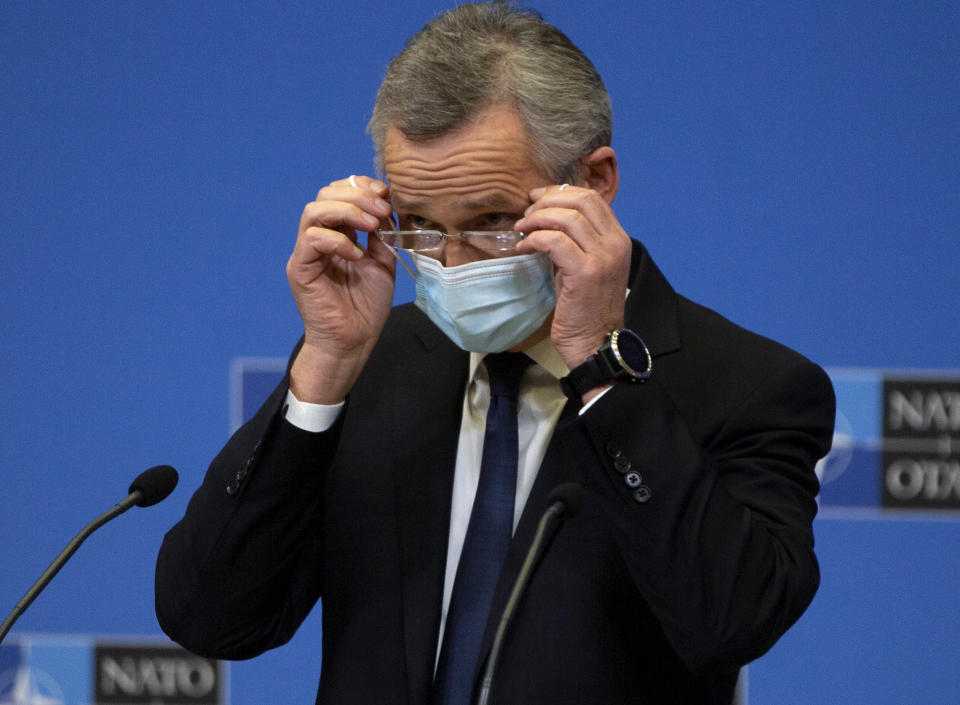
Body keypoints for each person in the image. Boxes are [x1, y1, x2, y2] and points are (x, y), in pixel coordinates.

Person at [154, 3, 835, 704]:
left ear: (595, 183)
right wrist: (325, 367)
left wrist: (601, 368)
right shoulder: (374, 363)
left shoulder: (749, 385)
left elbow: (730, 621)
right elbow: (209, 617)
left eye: (490, 223)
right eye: (417, 225)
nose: (450, 263)